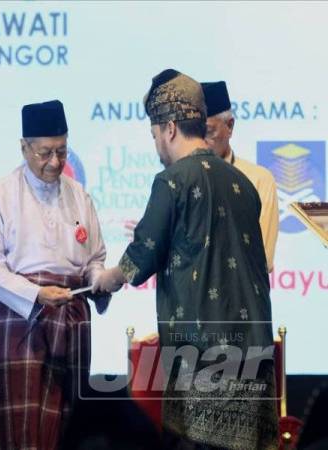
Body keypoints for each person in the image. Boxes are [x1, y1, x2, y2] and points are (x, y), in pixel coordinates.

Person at [95, 70, 279, 449]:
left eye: (154, 134)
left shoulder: (173, 181)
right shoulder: (242, 183)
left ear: (170, 128)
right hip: (254, 352)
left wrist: (105, 280)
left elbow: (141, 256)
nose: (157, 145)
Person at [0, 99, 110, 450]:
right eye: (45, 153)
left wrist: (99, 279)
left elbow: (95, 257)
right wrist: (37, 295)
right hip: (23, 317)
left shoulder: (80, 195)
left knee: (70, 422)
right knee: (24, 425)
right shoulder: (1, 195)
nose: (55, 162)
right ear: (24, 148)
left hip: (73, 312)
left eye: (62, 151)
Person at [201, 81, 279, 271]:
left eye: (209, 132)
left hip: (241, 297)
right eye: (195, 134)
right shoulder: (180, 180)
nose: (201, 142)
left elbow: (263, 257)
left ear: (230, 126)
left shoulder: (257, 179)